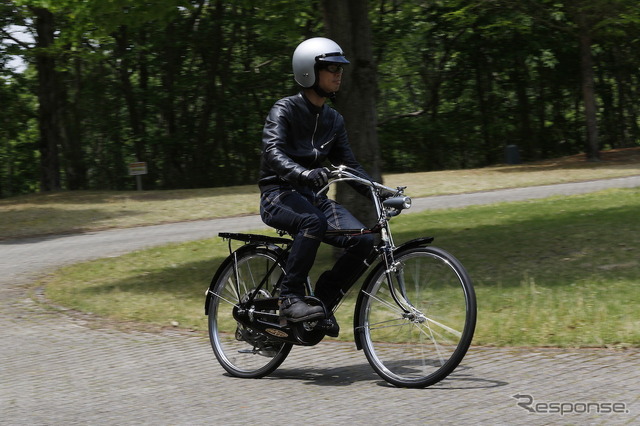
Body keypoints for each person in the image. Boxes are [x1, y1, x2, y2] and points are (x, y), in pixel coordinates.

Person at [258, 37, 376, 337]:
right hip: (278, 195)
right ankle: (290, 299)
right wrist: (302, 174)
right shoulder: (283, 109)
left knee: (365, 240)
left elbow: (349, 166)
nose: (338, 74)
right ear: (309, 71)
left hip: (312, 197)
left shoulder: (333, 119)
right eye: (331, 68)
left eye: (340, 69)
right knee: (313, 221)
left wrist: (379, 193)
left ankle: (321, 301)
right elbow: (272, 152)